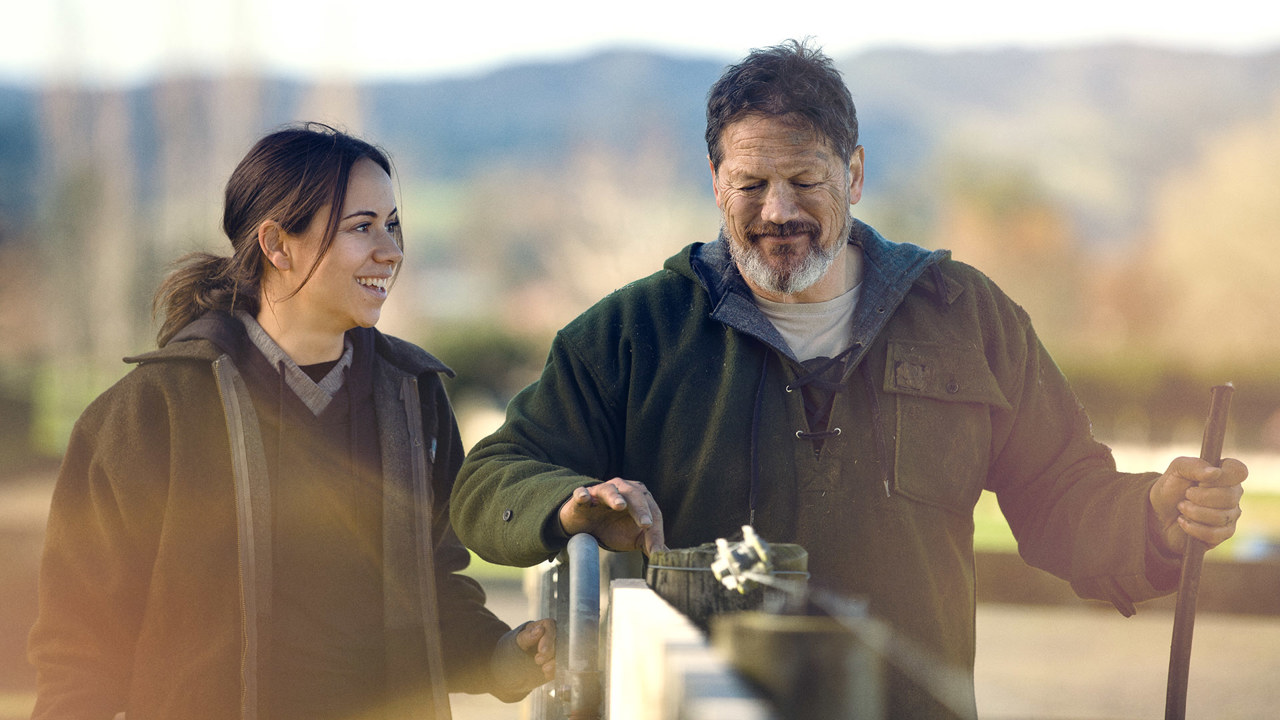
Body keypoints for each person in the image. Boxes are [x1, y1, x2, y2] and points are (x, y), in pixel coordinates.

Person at [448, 41, 1248, 718]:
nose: (777, 210)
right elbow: (489, 479)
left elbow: (1063, 496)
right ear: (715, 180)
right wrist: (569, 503)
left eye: (805, 180)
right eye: (750, 184)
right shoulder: (630, 334)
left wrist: (1156, 517)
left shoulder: (966, 316)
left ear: (854, 173)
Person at [28, 123, 554, 720]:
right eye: (362, 227)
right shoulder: (148, 414)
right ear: (278, 245)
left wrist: (502, 656)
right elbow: (79, 648)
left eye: (392, 225)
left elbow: (436, 585)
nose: (391, 251)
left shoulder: (416, 397)